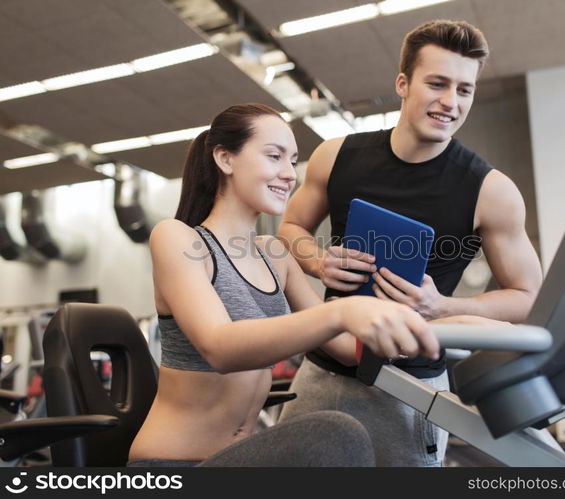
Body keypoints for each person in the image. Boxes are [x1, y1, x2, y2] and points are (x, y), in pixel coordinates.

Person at [277, 20, 543, 466]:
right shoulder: (337, 155)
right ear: (403, 83)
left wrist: (446, 307)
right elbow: (291, 227)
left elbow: (528, 296)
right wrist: (318, 262)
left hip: (414, 390)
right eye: (437, 84)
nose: (450, 102)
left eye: (464, 90)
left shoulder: (490, 190)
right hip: (322, 373)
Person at [127, 103, 442, 467]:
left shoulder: (275, 254)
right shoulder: (177, 238)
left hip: (239, 460)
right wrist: (344, 310)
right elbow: (220, 347)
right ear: (225, 159)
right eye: (274, 156)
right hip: (173, 464)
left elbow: (342, 348)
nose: (289, 174)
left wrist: (409, 320)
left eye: (293, 161)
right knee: (335, 433)